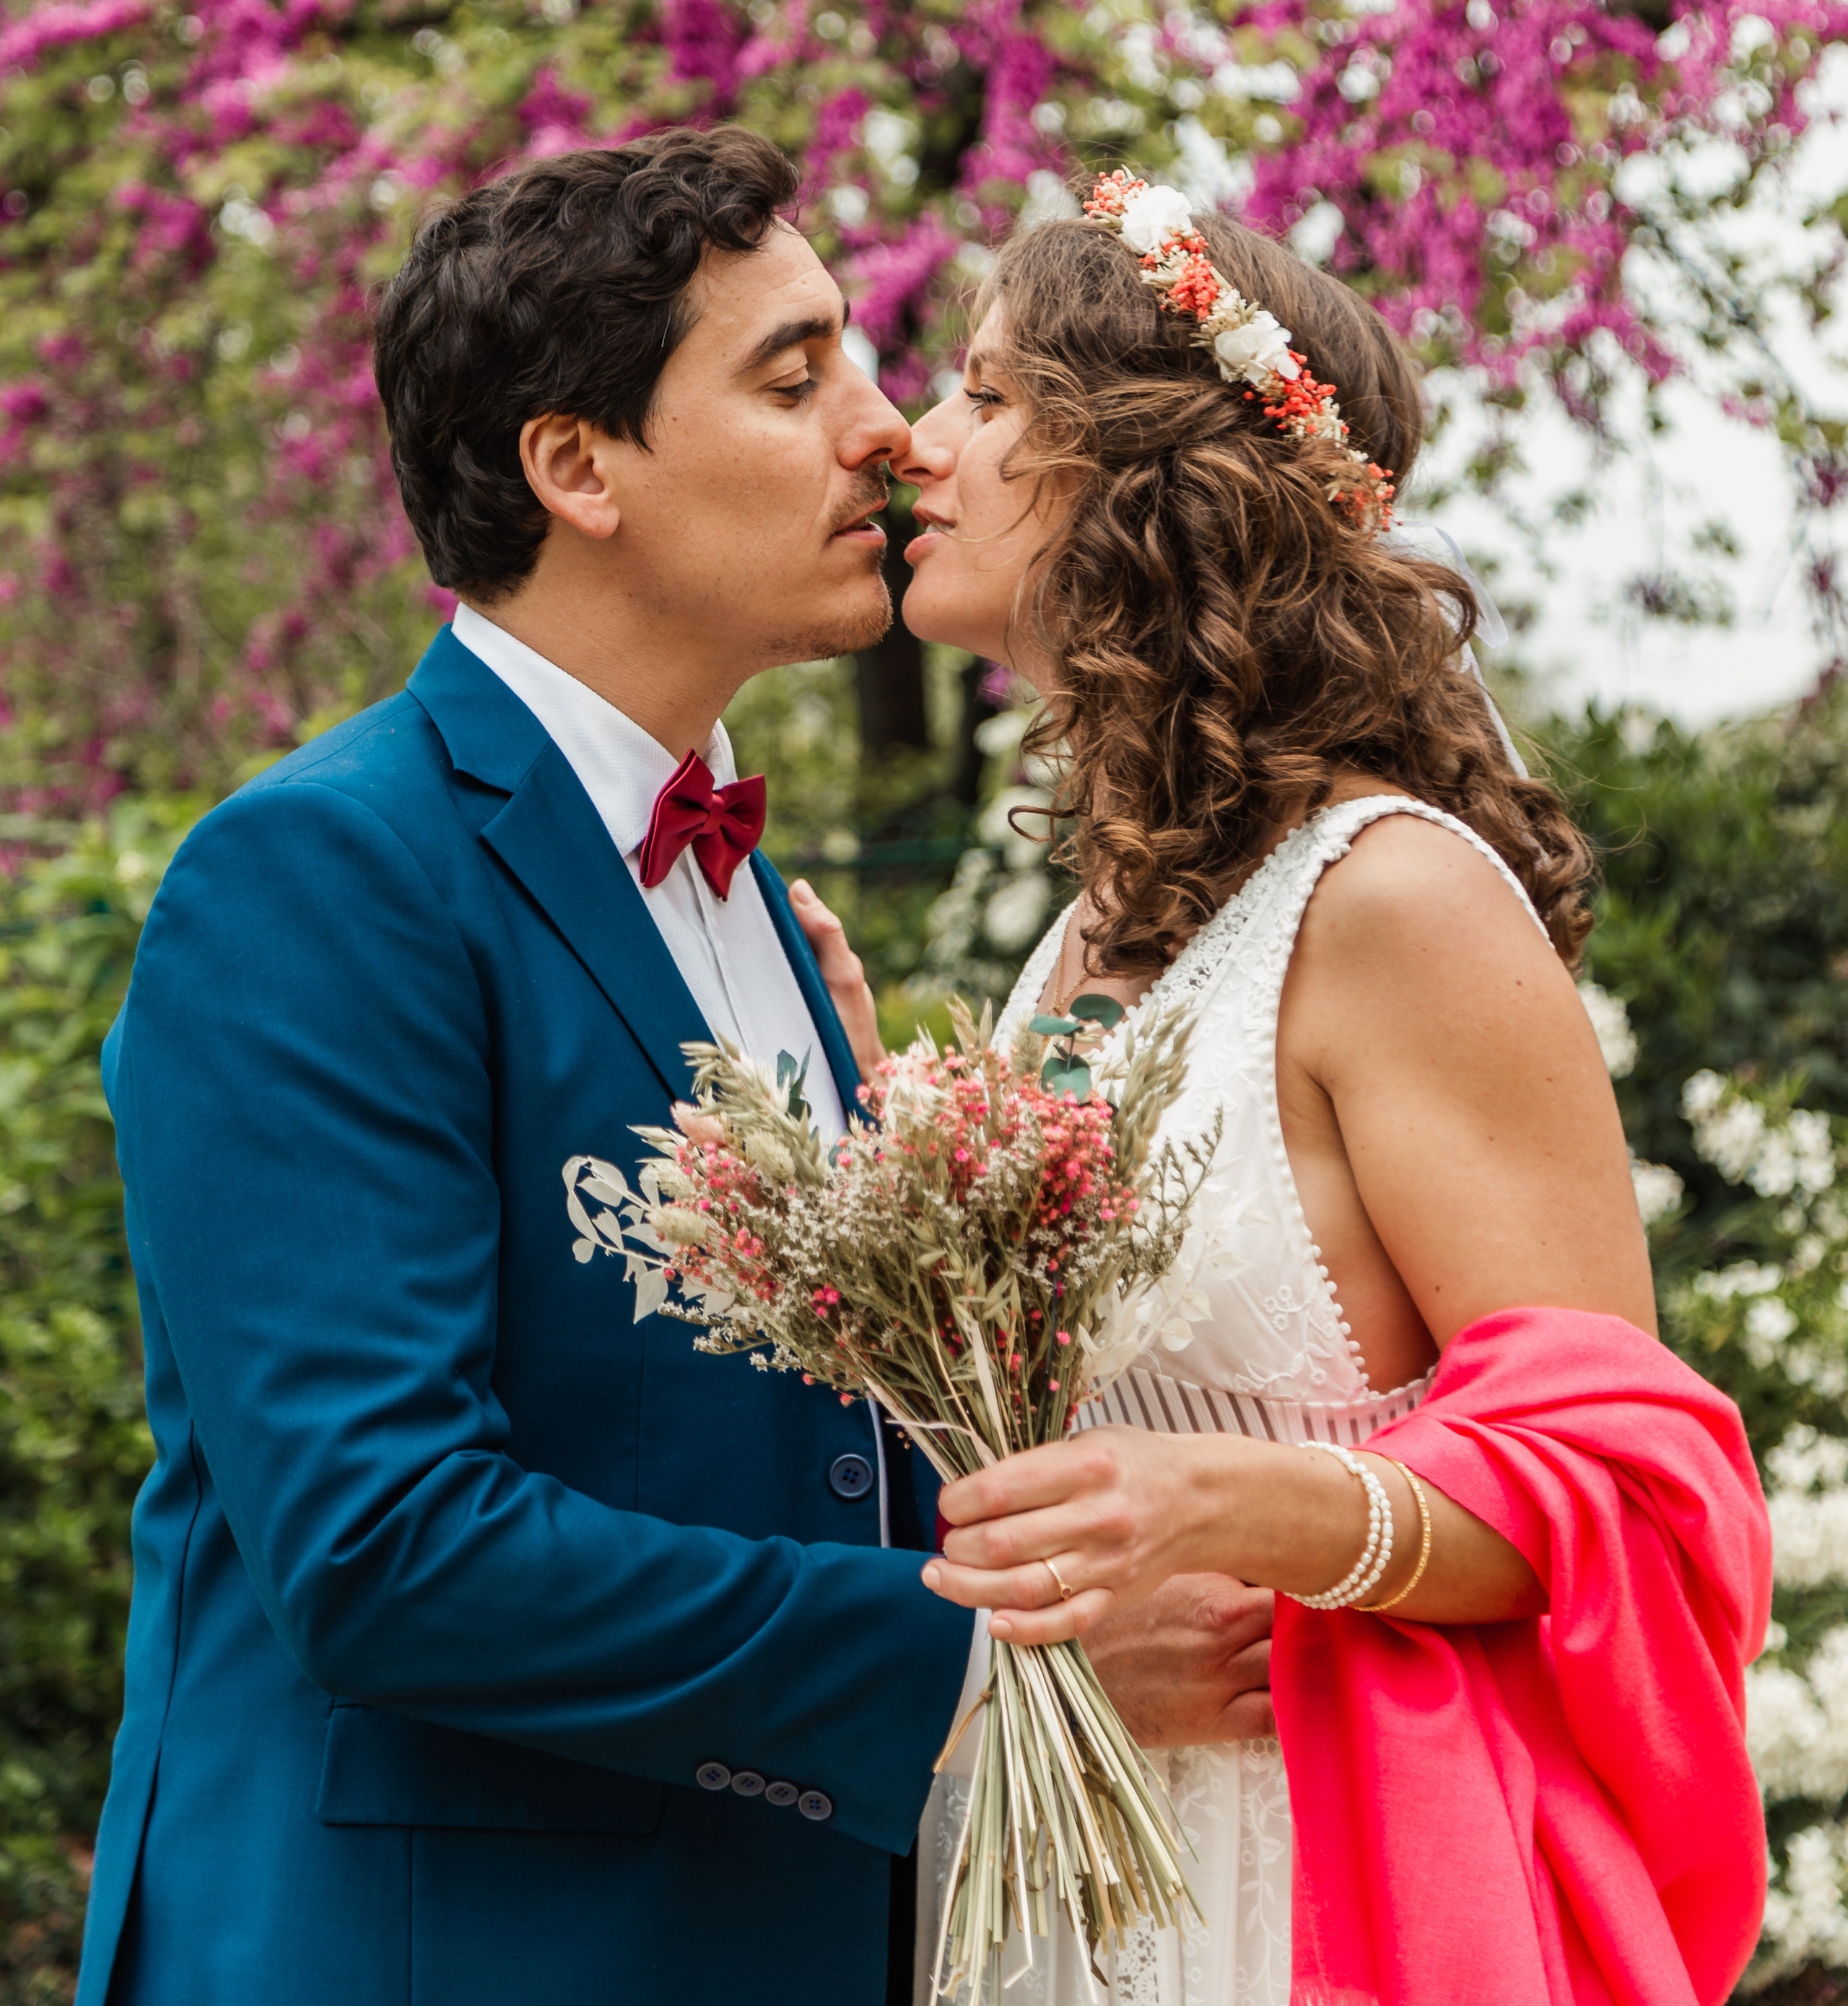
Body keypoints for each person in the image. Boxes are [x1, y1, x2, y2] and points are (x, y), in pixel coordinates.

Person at [77, 128, 1270, 2006]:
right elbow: (385, 1544)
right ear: (575, 466)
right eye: (797, 376)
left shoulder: (760, 913)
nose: (886, 432)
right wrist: (983, 1665)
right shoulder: (318, 875)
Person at [811, 172, 1770, 2006]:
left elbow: (1633, 1489)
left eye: (989, 396)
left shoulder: (1390, 899)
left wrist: (1259, 1513)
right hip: (1042, 1881)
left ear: (1147, 477)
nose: (911, 444)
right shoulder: (1091, 930)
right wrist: (870, 1169)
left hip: (1292, 1893)